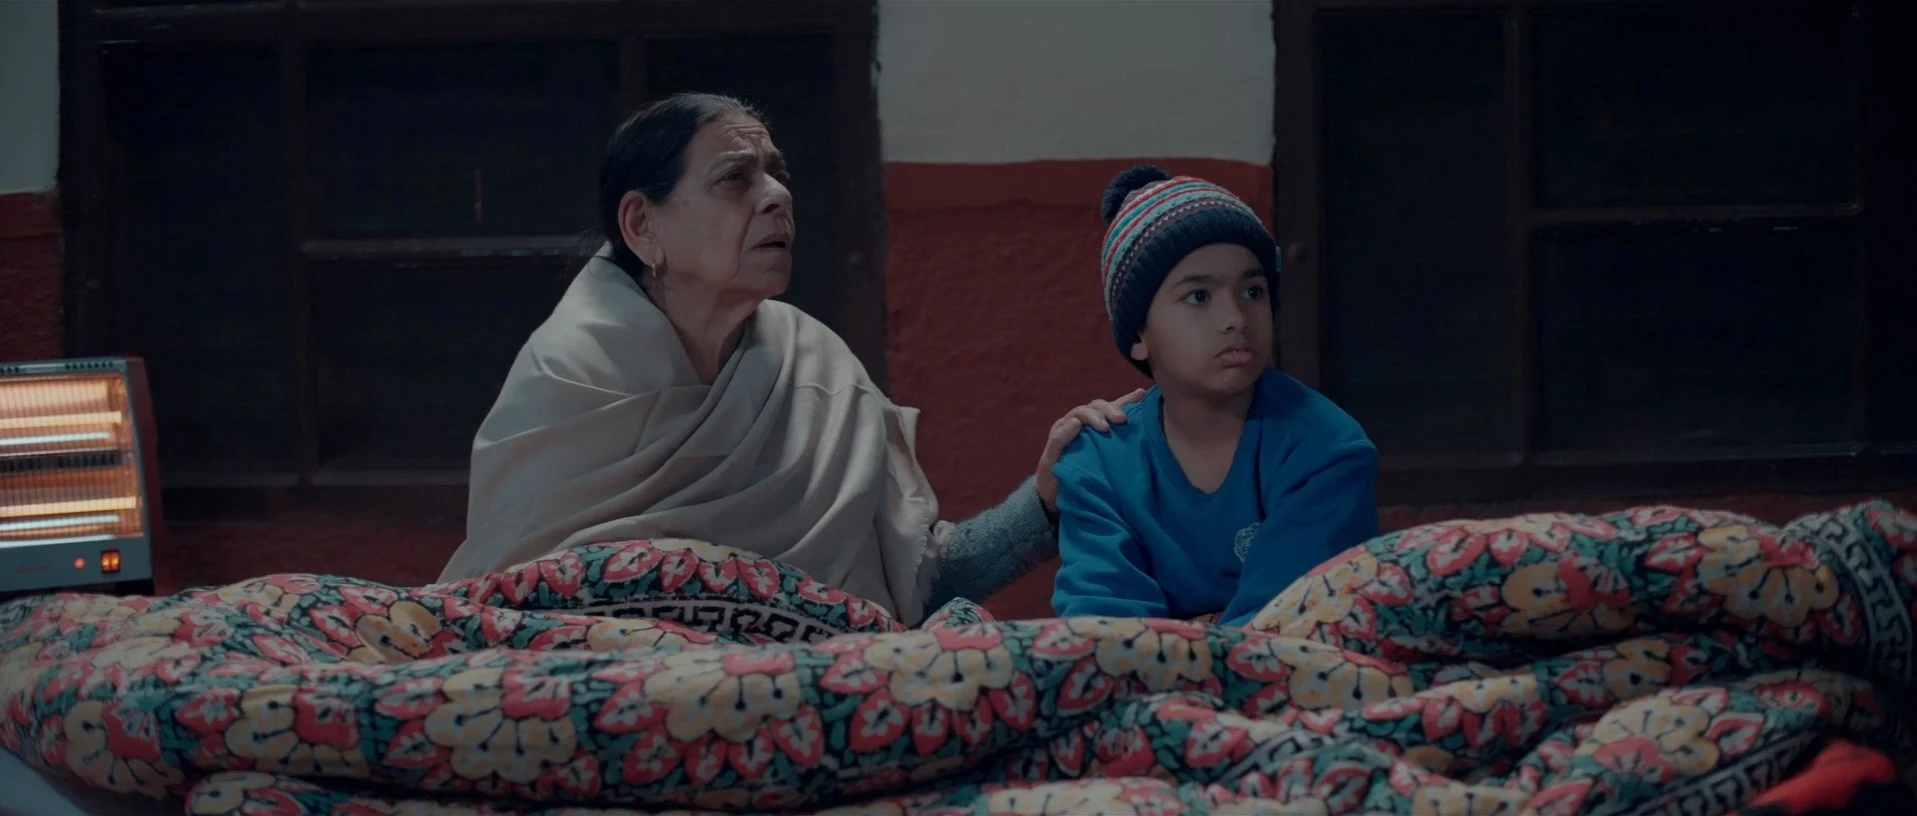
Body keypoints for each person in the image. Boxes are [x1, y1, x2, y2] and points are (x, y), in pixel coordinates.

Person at [438, 93, 1140, 626]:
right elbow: (507, 619)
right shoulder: (568, 377)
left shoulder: (816, 366)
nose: (778, 197)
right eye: (736, 178)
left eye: (777, 175)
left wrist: (1043, 503)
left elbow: (916, 586)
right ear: (642, 224)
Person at [1050, 165, 1380, 628]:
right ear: (1139, 334)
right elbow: (1103, 629)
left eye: (1252, 291)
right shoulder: (1097, 461)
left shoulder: (1326, 448)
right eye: (1199, 296)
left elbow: (1289, 626)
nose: (1236, 318)